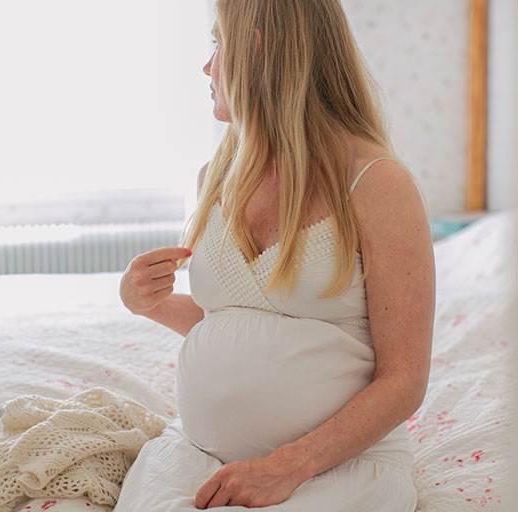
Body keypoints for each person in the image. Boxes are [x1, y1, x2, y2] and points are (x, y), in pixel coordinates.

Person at [116, 0, 435, 509]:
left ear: (258, 49)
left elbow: (405, 379)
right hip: (200, 454)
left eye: (218, 44)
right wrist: (145, 302)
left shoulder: (376, 184)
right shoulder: (216, 176)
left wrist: (286, 467)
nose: (206, 66)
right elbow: (234, 319)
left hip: (336, 467)